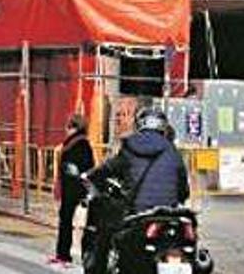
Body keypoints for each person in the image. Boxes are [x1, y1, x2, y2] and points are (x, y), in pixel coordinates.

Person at [82, 107, 190, 273]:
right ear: (163, 127)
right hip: (169, 214)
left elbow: (107, 169)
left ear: (139, 125)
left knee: (107, 232)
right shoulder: (173, 152)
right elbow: (184, 190)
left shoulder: (129, 147)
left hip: (137, 214)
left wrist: (89, 176)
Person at [49, 114, 94, 266]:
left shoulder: (78, 144)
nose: (66, 129)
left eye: (68, 126)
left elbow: (80, 167)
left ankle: (64, 255)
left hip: (73, 188)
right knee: (66, 220)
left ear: (74, 127)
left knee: (66, 221)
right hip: (73, 187)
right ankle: (63, 254)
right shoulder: (78, 143)